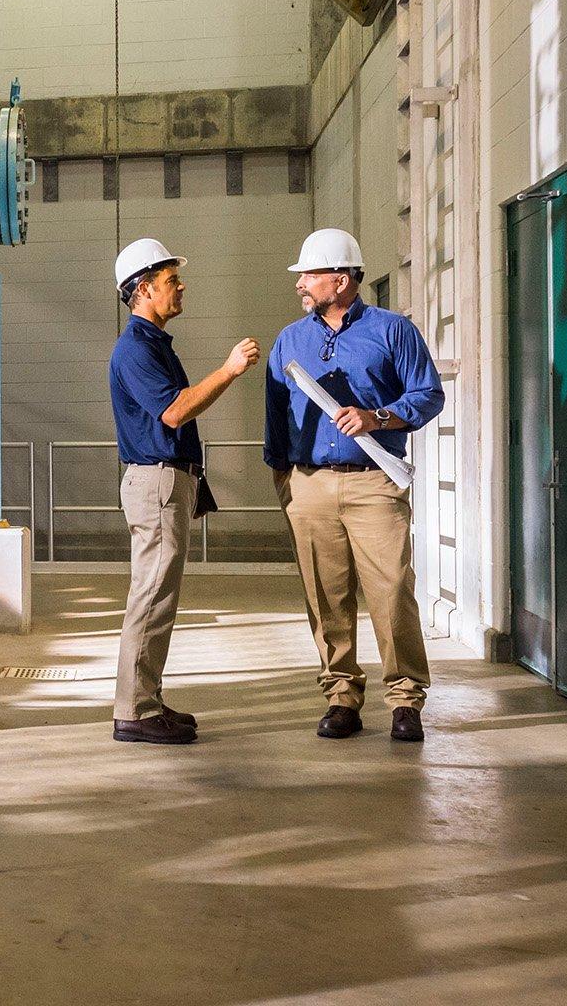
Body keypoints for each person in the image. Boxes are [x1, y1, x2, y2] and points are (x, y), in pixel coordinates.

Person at [263, 228, 445, 742]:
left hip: (374, 483)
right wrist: (285, 479)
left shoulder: (393, 331)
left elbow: (428, 396)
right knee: (325, 596)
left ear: (340, 280)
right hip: (309, 484)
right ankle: (341, 695)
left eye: (309, 274)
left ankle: (406, 699)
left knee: (391, 592)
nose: (300, 283)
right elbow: (276, 416)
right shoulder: (290, 340)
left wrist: (378, 417)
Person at [108, 238, 260, 746]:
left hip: (166, 481)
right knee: (151, 597)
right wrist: (229, 370)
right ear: (144, 289)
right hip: (156, 481)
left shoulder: (152, 345)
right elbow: (174, 411)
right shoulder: (135, 349)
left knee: (158, 597)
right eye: (172, 280)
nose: (181, 286)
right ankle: (133, 711)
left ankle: (145, 700)